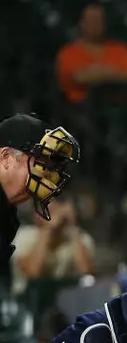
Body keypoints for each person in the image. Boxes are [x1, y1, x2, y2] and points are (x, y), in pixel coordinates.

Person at [0, 115, 81, 284]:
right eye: (39, 160)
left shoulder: (8, 215)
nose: (47, 172)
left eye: (51, 164)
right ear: (6, 157)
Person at [56, 3, 127, 103]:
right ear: (81, 23)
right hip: (81, 108)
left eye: (99, 20)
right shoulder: (68, 52)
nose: (96, 24)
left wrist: (97, 73)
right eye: (91, 20)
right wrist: (110, 73)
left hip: (117, 105)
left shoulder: (120, 49)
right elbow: (78, 78)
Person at [11, 199, 96, 295]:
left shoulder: (80, 239)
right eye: (49, 211)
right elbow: (33, 272)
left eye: (58, 210)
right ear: (38, 216)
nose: (56, 216)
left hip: (66, 300)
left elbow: (86, 273)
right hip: (27, 301)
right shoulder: (24, 237)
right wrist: (47, 229)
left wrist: (73, 226)